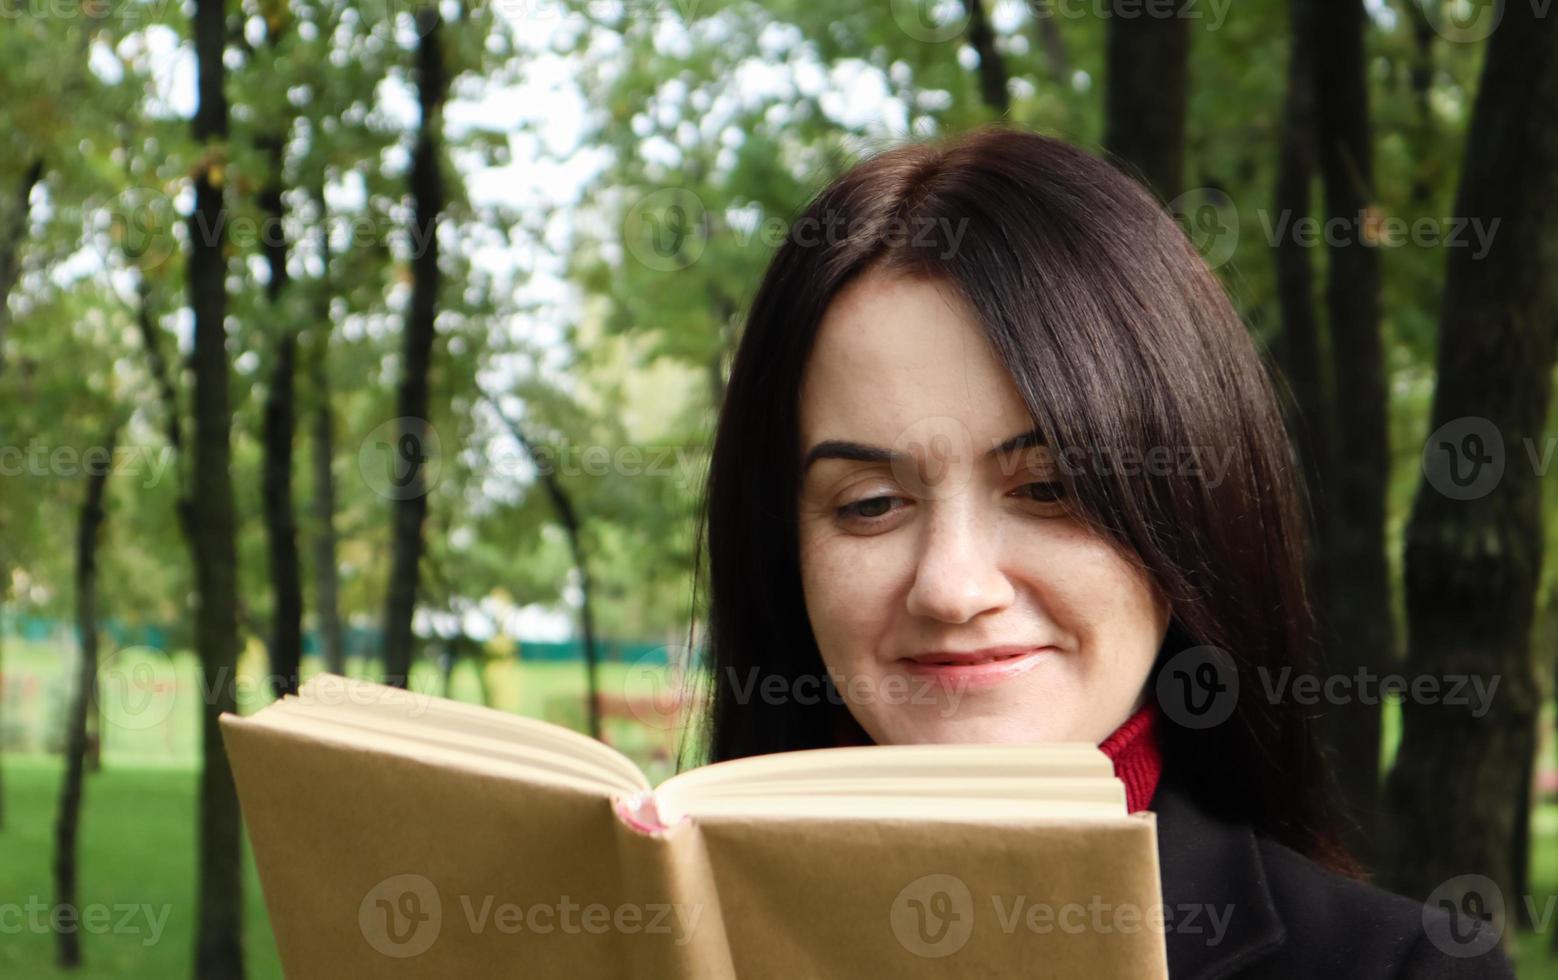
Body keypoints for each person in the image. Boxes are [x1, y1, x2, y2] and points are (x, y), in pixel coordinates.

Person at [691, 126, 1514, 977]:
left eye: (1048, 489)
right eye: (870, 504)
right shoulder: (654, 941)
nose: (953, 587)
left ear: (1186, 513)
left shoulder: (1400, 970)